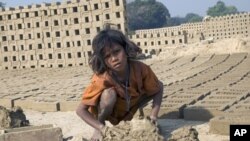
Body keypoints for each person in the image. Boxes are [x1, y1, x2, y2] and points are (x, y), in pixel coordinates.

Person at [76, 28, 163, 141]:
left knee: (157, 85)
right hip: (111, 111)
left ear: (125, 49)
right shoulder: (101, 79)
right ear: (102, 60)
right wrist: (101, 128)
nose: (114, 59)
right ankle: (99, 124)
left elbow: (159, 88)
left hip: (131, 105)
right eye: (107, 56)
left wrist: (153, 116)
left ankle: (138, 118)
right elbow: (80, 110)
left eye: (117, 52)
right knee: (109, 95)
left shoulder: (141, 69)